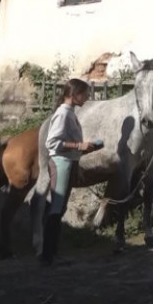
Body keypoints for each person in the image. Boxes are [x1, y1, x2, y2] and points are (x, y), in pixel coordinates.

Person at [42, 78, 102, 266]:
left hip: (68, 161)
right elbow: (52, 142)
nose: (87, 98)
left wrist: (83, 148)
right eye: (84, 94)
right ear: (74, 94)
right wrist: (79, 145)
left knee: (59, 208)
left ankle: (52, 254)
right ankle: (48, 256)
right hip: (61, 163)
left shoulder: (69, 112)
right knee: (56, 208)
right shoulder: (63, 114)